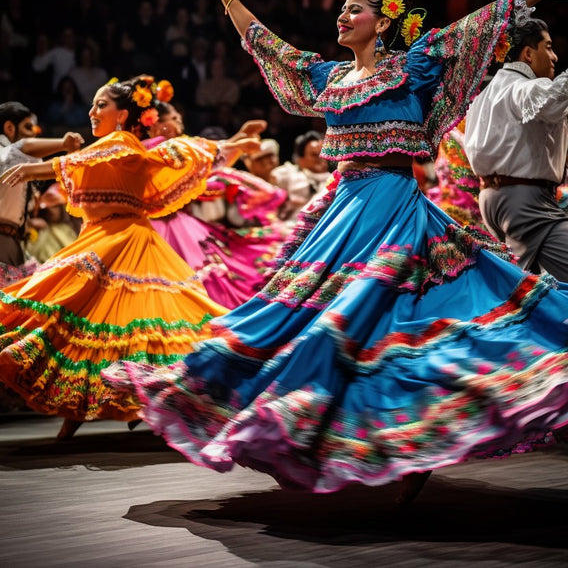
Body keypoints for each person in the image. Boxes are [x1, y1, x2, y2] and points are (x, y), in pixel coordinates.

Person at [103, 0, 568, 505]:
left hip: (394, 207)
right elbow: (267, 45)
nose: (342, 17)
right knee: (311, 325)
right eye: (343, 10)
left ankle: (407, 445)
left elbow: (471, 28)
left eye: (354, 9)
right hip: (340, 213)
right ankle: (339, 439)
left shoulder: (414, 66)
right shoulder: (327, 78)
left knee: (382, 321)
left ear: (382, 21)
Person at [0, 76, 260, 440]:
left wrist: (36, 168)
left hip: (127, 243)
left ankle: (133, 409)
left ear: (122, 114)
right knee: (93, 324)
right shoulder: (106, 149)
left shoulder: (120, 143)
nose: (92, 112)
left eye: (100, 105)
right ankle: (117, 412)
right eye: (92, 105)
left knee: (104, 324)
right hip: (103, 238)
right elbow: (87, 161)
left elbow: (86, 158)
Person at [463, 17, 568, 304]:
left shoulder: (487, 93)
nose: (554, 56)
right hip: (527, 204)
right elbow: (547, 96)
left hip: (495, 200)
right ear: (528, 53)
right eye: (548, 47)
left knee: (534, 299)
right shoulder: (520, 86)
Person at [145, 101, 288, 309]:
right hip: (157, 228)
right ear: (157, 125)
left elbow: (213, 154)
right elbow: (210, 161)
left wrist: (239, 140)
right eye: (174, 119)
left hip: (182, 226)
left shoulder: (182, 145)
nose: (180, 123)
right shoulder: (159, 150)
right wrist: (238, 144)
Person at [0, 101, 84, 284]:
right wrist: (63, 143)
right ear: (9, 127)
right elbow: (24, 146)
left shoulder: (18, 165)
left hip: (13, 242)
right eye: (28, 127)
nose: (33, 133)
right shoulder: (4, 152)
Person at [271, 129, 331, 224]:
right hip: (289, 227)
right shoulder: (288, 173)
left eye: (324, 154)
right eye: (314, 155)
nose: (321, 159)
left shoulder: (334, 179)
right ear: (301, 159)